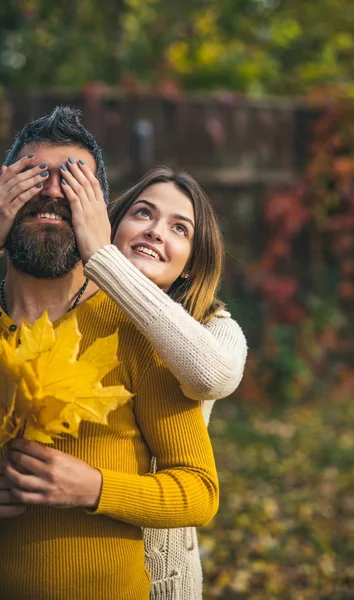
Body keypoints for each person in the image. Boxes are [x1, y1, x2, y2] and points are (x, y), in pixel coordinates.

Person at [0, 108, 220, 600]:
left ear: (99, 212)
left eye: (73, 182)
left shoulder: (141, 329)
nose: (53, 191)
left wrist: (95, 488)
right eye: (33, 177)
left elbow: (199, 491)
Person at [61, 162, 248, 599]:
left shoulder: (217, 328)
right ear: (113, 223)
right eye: (144, 214)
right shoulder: (65, 307)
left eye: (179, 228)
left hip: (163, 575)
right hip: (70, 554)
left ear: (191, 264)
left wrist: (103, 259)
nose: (156, 231)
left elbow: (210, 375)